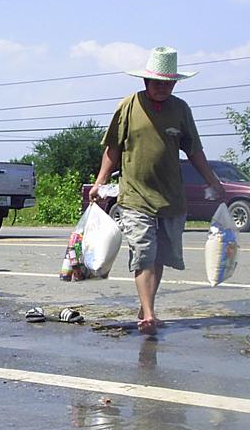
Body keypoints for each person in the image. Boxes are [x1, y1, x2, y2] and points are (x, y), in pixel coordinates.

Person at [89, 46, 225, 335]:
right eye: (158, 82)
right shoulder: (128, 106)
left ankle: (146, 305)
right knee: (143, 253)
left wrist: (213, 181)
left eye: (168, 83)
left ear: (175, 84)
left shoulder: (181, 110)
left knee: (160, 256)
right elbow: (112, 148)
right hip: (135, 196)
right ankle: (149, 314)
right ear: (146, 81)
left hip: (170, 197)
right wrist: (100, 181)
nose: (163, 88)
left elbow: (194, 151)